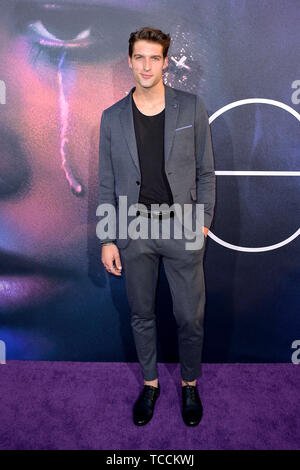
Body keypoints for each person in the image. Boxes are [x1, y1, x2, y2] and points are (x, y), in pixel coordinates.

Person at [98, 26, 216, 426]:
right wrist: (108, 237)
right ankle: (150, 384)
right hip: (133, 231)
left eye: (154, 58)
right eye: (139, 57)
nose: (146, 65)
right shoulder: (111, 118)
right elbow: (106, 183)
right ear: (129, 61)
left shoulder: (192, 106)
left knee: (190, 317)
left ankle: (189, 384)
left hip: (183, 228)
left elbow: (205, 172)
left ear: (165, 62)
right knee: (141, 313)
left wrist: (202, 223)